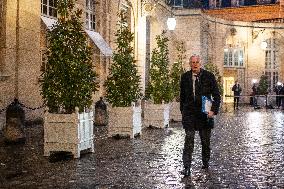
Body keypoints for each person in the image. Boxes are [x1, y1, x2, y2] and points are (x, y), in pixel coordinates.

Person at [180, 55, 221, 177]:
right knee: (189, 139)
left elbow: (217, 96)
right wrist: (183, 111)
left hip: (204, 114)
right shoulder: (185, 77)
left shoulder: (209, 76)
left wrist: (213, 111)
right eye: (192, 62)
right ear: (189, 63)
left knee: (205, 142)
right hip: (190, 114)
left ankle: (205, 161)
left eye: (197, 62)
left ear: (200, 63)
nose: (195, 64)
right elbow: (182, 96)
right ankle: (186, 166)